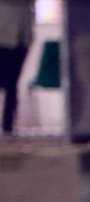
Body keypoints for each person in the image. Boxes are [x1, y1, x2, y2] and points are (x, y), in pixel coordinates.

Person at [0, 0, 34, 136]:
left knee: (12, 83)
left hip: (21, 34)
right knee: (9, 83)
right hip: (4, 32)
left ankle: (8, 125)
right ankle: (8, 125)